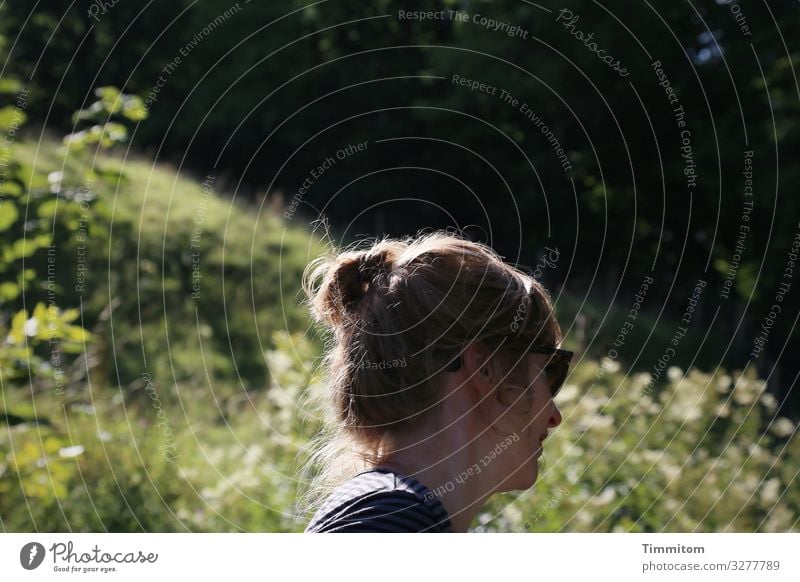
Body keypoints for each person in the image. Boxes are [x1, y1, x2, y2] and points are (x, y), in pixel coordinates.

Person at [299, 231, 572, 532]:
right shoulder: (392, 520)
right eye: (549, 370)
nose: (554, 417)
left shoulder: (392, 515)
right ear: (485, 367)